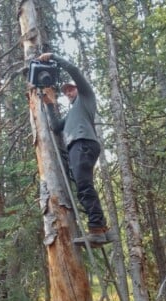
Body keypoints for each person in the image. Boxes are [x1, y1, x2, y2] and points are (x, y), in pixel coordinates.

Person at [36, 52, 109, 246]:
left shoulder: (86, 98)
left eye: (71, 90)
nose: (68, 93)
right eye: (66, 92)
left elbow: (74, 71)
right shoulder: (72, 113)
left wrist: (53, 57)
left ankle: (96, 229)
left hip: (83, 143)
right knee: (84, 185)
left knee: (84, 186)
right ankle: (101, 228)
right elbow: (56, 127)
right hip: (78, 146)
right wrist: (50, 105)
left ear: (78, 89)